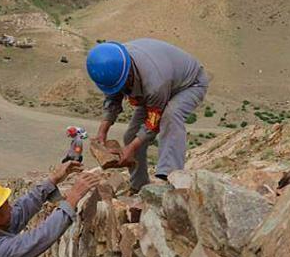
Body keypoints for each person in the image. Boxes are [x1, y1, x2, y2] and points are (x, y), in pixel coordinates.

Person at [86, 38, 208, 192]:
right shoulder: (114, 66)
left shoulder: (154, 82)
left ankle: (171, 179)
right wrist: (102, 132)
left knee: (171, 115)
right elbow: (112, 98)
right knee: (131, 136)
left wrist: (131, 149)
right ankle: (139, 187)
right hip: (157, 87)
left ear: (128, 74)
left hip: (190, 84)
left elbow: (152, 122)